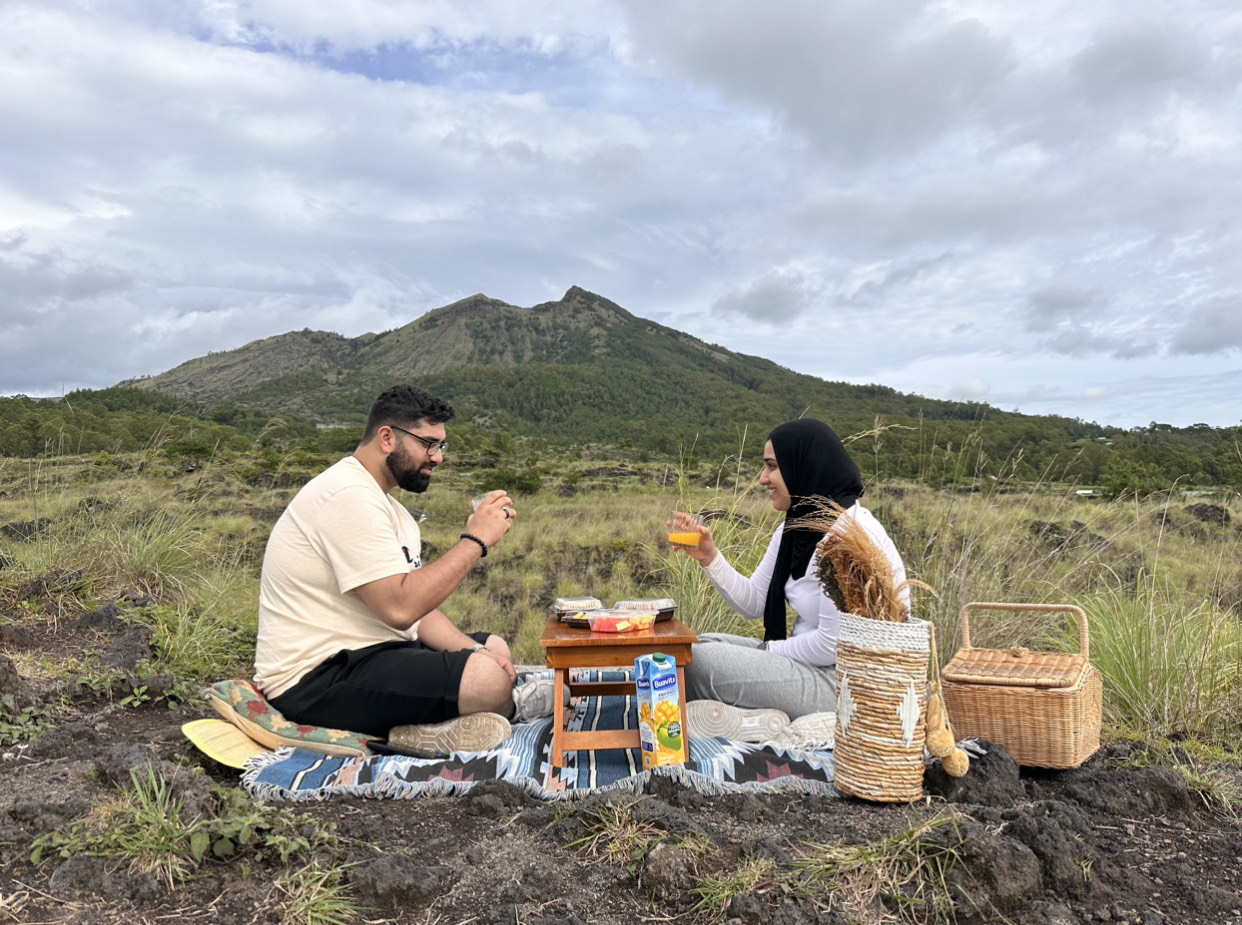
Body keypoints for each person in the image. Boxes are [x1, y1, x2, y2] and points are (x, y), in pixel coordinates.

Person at [253, 384, 556, 754]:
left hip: (374, 653)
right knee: (488, 681)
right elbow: (401, 608)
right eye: (428, 443)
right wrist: (475, 540)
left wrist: (476, 652)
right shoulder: (346, 495)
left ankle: (428, 727)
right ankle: (508, 706)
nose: (437, 457)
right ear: (386, 438)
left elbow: (419, 614)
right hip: (316, 678)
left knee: (494, 649)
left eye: (441, 446)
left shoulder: (385, 505)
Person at [669, 418, 909, 743]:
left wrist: (767, 651)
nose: (762, 479)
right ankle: (754, 720)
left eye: (771, 467)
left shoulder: (849, 538)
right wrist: (709, 557)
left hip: (842, 681)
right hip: (808, 664)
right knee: (693, 646)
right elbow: (754, 602)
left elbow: (832, 644)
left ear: (803, 466)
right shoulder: (797, 528)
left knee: (697, 662)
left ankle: (760, 722)